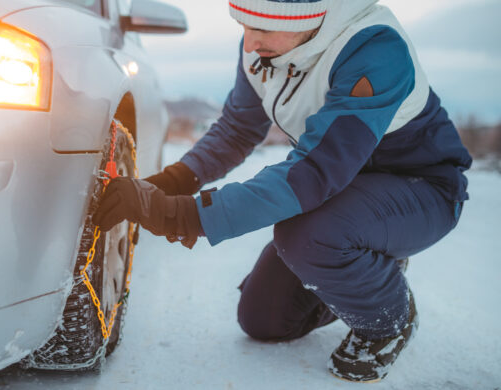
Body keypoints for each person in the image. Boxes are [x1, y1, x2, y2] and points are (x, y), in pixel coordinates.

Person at [93, 0, 472, 382]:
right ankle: (364, 267)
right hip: (344, 192)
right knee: (264, 319)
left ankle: (390, 321)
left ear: (304, 19)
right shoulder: (264, 47)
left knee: (306, 237)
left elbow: (315, 171)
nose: (250, 43)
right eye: (244, 25)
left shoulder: (373, 51)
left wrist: (182, 215)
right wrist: (168, 183)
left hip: (421, 189)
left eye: (262, 29)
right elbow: (237, 130)